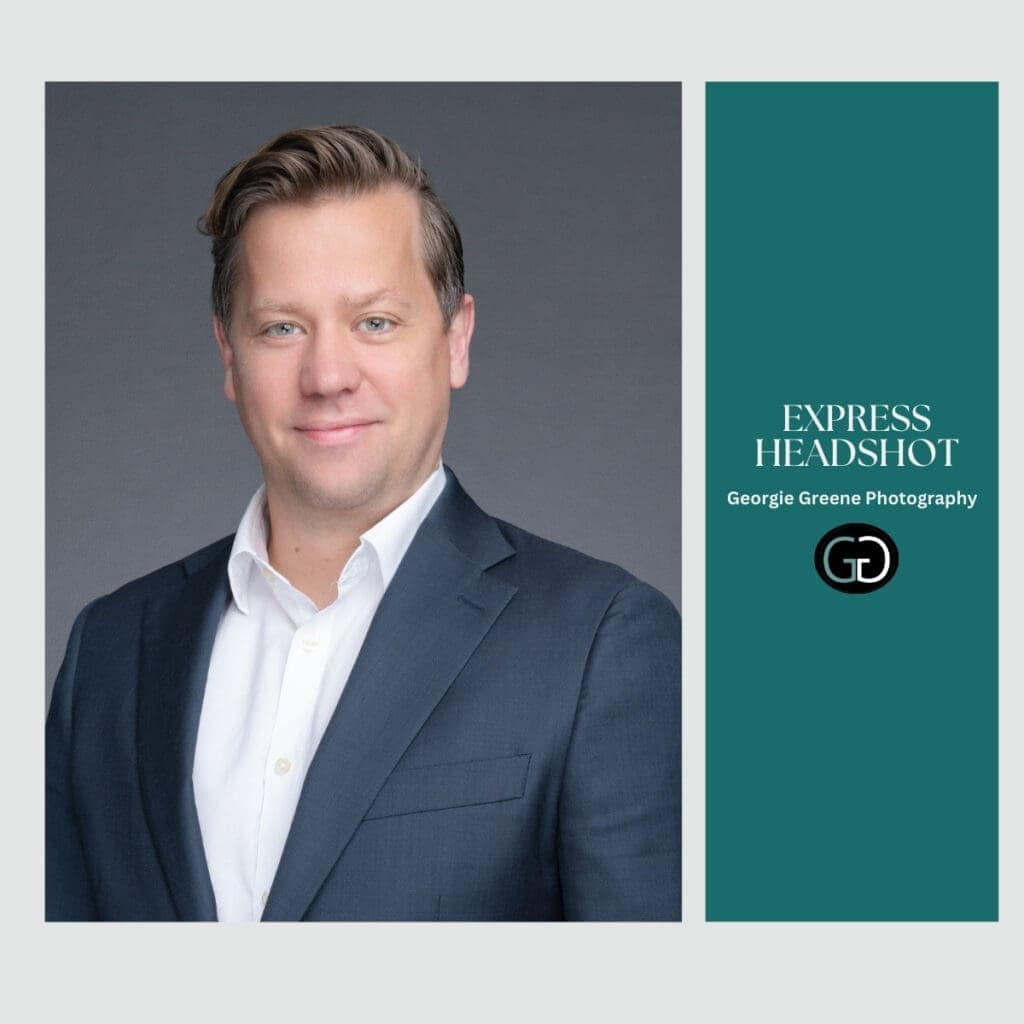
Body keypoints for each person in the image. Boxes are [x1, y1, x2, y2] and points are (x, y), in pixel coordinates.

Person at [45, 125, 681, 922]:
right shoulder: (112, 649)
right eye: (282, 327)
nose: (328, 376)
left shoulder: (601, 641)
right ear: (227, 355)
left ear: (456, 340)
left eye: (375, 322)